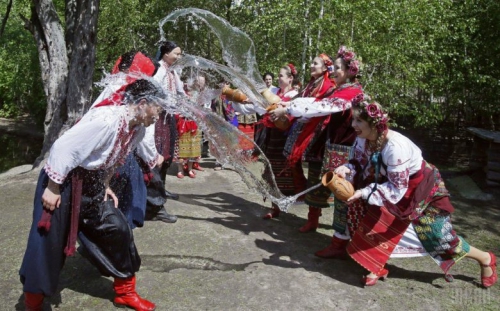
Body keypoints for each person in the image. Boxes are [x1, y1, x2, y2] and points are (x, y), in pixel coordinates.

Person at [20, 79, 164, 311]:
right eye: (158, 109)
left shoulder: (137, 129)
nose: (159, 115)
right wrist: (53, 188)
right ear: (143, 103)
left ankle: (125, 292)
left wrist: (105, 184)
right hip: (63, 181)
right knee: (47, 241)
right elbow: (63, 148)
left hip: (92, 184)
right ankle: (33, 303)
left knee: (117, 228)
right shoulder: (106, 121)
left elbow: (115, 158)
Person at [332, 98, 498, 288]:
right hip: (389, 186)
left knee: (439, 238)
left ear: (374, 124)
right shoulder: (363, 138)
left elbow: (396, 189)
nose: (353, 125)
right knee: (370, 216)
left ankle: (485, 258)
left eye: (359, 121)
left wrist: (363, 192)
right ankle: (376, 264)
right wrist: (347, 169)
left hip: (420, 190)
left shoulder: (395, 148)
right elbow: (358, 162)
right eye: (353, 120)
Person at [270, 48, 363, 239]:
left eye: (337, 68)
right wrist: (287, 106)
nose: (333, 71)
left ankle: (341, 240)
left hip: (346, 152)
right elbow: (315, 101)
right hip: (330, 145)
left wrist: (288, 108)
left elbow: (321, 107)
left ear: (348, 71)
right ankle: (315, 222)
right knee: (317, 181)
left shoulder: (351, 92)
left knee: (342, 193)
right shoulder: (336, 89)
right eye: (333, 67)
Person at [234, 64, 302, 219]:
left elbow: (295, 116)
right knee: (271, 171)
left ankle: (287, 203)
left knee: (285, 173)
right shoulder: (274, 92)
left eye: (281, 76)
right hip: (272, 137)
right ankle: (275, 207)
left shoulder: (295, 95)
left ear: (290, 78)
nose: (279, 78)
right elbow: (259, 107)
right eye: (278, 76)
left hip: (286, 139)